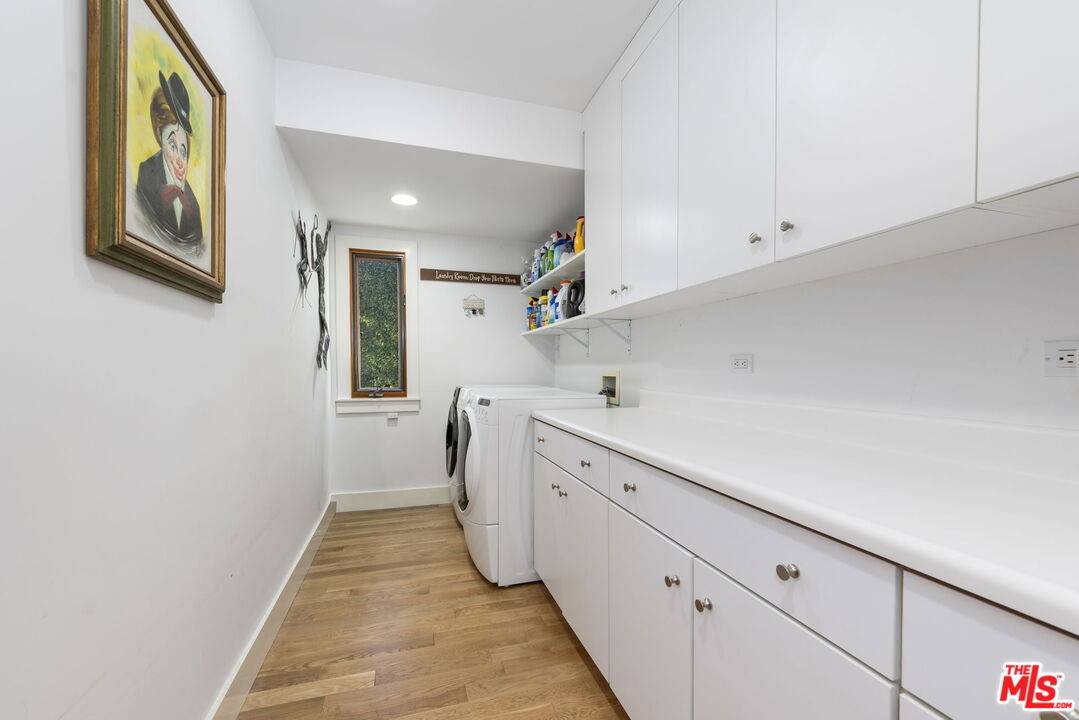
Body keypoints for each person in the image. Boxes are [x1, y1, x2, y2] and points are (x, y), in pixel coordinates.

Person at [135, 71, 203, 246]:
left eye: (183, 151)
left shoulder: (194, 205)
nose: (181, 162)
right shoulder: (146, 174)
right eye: (172, 146)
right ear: (159, 136)